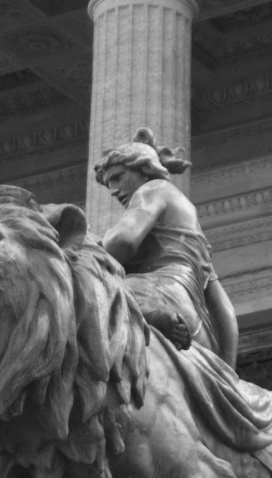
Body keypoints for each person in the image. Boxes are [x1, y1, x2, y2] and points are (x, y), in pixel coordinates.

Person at [94, 128, 239, 368]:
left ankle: (153, 316)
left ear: (143, 170)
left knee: (96, 294)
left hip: (157, 295)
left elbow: (122, 242)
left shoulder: (153, 189)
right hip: (196, 324)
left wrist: (88, 247)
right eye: (108, 184)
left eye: (118, 177)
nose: (112, 190)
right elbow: (224, 309)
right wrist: (228, 370)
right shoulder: (190, 226)